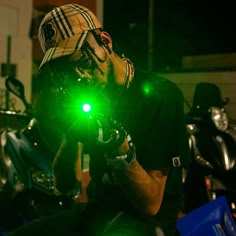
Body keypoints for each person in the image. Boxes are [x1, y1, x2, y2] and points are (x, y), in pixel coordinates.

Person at [7, 3, 190, 236]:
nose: (81, 78)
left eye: (82, 63)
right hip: (96, 216)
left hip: (145, 225)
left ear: (105, 41)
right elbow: (64, 185)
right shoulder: (91, 97)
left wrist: (120, 150)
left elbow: (151, 204)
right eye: (68, 73)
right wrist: (71, 136)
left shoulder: (159, 96)